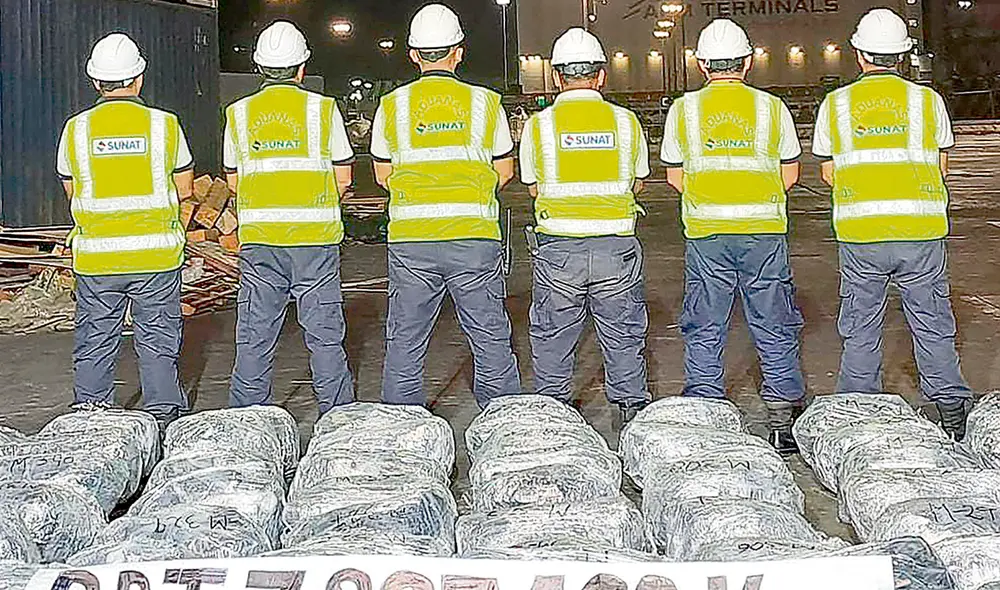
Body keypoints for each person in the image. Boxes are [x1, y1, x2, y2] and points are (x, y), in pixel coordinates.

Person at [813, 8, 973, 440]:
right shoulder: (927, 102)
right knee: (932, 320)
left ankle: (858, 409)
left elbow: (829, 171)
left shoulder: (836, 105)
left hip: (862, 233)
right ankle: (951, 406)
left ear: (860, 53)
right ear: (901, 57)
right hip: (920, 233)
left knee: (861, 323)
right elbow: (940, 164)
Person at [660, 19, 805, 453]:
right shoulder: (771, 108)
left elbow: (674, 176)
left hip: (707, 234)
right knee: (774, 320)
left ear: (702, 64)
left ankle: (706, 411)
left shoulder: (683, 110)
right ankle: (781, 419)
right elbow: (791, 173)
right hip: (762, 233)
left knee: (705, 322)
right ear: (747, 61)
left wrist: (713, 198)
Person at [370, 3, 521, 409]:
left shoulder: (392, 106)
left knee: (404, 342)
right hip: (473, 239)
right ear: (459, 51)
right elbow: (504, 170)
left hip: (412, 242)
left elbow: (383, 175)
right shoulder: (486, 104)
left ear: (414, 54)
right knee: (490, 339)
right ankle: (504, 426)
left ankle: (402, 433)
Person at [56, 33, 193, 427]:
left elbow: (72, 189)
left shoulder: (76, 129)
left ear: (96, 82)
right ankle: (164, 419)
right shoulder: (165, 125)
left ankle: (91, 419)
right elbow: (184, 188)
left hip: (98, 260)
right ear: (139, 78)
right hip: (156, 256)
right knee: (157, 342)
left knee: (96, 340)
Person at [519, 28, 652, 424]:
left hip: (559, 245)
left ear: (557, 76)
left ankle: (555, 413)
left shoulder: (539, 125)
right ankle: (629, 410)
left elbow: (533, 186)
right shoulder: (626, 123)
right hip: (616, 245)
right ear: (601, 75)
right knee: (623, 330)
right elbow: (638, 179)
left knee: (553, 332)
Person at [223, 21, 356, 414]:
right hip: (315, 242)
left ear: (259, 68)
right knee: (324, 334)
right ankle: (336, 414)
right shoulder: (322, 110)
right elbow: (344, 177)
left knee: (255, 333)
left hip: (261, 241)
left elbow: (233, 181)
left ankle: (247, 415)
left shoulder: (239, 114)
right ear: (302, 69)